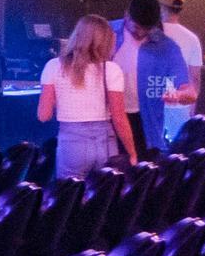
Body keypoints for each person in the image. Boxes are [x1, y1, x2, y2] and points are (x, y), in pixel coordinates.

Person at [38, 14, 138, 179]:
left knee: (70, 197)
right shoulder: (112, 70)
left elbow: (43, 115)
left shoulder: (53, 66)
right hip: (105, 143)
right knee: (104, 198)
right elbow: (119, 117)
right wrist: (132, 153)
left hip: (72, 143)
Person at [112, 0, 195, 156]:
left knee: (142, 175)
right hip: (108, 120)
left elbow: (190, 93)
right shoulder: (106, 33)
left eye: (147, 29)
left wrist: (178, 95)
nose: (141, 33)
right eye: (136, 27)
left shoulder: (167, 46)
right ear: (126, 15)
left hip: (145, 124)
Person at [159, 0, 205, 135]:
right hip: (180, 105)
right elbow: (195, 77)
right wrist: (191, 105)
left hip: (152, 104)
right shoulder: (192, 38)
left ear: (161, 7)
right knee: (176, 151)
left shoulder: (149, 35)